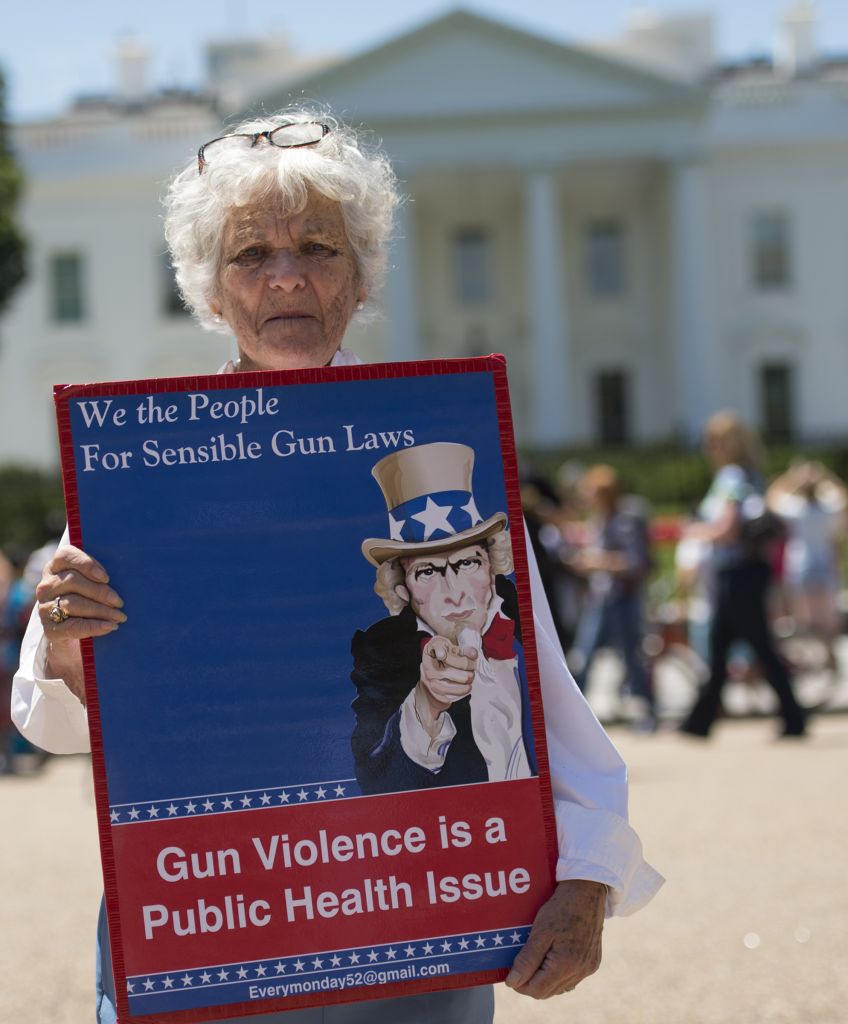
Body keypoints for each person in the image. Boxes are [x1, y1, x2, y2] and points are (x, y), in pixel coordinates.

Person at [12, 109, 662, 1023]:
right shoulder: (136, 475)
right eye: (250, 255)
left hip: (409, 923)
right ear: (210, 289)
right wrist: (74, 648)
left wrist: (590, 877)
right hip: (215, 925)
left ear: (358, 279)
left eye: (317, 247)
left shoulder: (447, 447)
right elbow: (69, 727)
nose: (286, 275)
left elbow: (547, 697)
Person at [351, 442, 536, 793]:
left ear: (492, 567)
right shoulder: (382, 655)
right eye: (427, 572)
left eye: (467, 563)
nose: (454, 591)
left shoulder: (529, 624)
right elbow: (377, 782)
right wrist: (428, 703)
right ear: (403, 591)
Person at [679, 410, 807, 739]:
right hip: (747, 570)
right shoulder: (751, 475)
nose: (709, 449)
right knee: (723, 645)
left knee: (756, 645)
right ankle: (701, 720)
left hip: (737, 571)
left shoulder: (732, 478)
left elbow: (728, 528)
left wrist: (695, 531)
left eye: (713, 442)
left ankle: (792, 716)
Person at [567, 465, 657, 732]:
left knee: (631, 658)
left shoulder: (624, 521)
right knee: (583, 656)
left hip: (623, 599)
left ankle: (647, 711)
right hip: (601, 598)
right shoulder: (599, 520)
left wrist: (597, 562)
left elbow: (634, 561)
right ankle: (574, 717)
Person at [767, 460, 847, 674]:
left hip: (800, 565)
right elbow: (842, 494)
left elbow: (773, 496)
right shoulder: (829, 508)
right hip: (824, 565)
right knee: (827, 615)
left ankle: (812, 654)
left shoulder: (796, 509)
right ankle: (827, 652)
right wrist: (825, 477)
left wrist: (791, 479)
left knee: (803, 617)